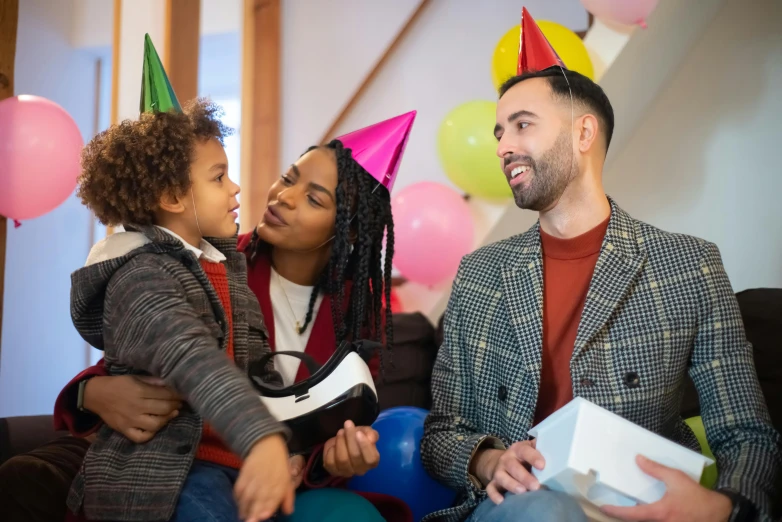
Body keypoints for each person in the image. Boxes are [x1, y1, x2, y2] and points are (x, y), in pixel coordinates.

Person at [420, 8, 780, 522]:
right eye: (499, 131)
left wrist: (722, 507)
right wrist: (488, 459)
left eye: (522, 125)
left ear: (584, 133)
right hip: (517, 510)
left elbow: (745, 432)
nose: (503, 146)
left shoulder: (688, 266)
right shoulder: (479, 273)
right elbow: (440, 434)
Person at [0, 111, 418, 522]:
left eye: (313, 198)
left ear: (346, 230)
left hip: (254, 471)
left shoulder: (360, 316)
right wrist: (91, 395)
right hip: (164, 455)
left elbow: (286, 400)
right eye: (289, 178)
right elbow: (168, 349)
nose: (282, 197)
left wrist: (319, 460)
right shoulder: (207, 260)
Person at [62, 35, 294, 522]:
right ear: (171, 195)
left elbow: (261, 375)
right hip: (166, 478)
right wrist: (261, 438)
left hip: (235, 464)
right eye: (217, 177)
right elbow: (191, 356)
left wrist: (287, 442)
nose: (234, 188)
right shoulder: (139, 278)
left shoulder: (227, 269)